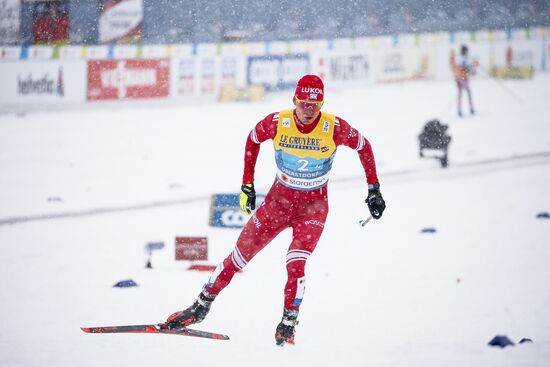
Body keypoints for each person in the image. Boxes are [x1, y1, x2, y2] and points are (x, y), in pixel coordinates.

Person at [163, 75, 386, 345]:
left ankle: (288, 324)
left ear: (322, 103)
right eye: (304, 104)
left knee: (296, 263)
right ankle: (199, 307)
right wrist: (247, 183)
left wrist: (373, 188)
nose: (308, 110)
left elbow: (364, 146)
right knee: (237, 258)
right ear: (295, 100)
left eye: (314, 105)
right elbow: (253, 139)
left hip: (313, 209)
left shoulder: (333, 127)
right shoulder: (278, 122)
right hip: (278, 203)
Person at [450, 44, 477, 117]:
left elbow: (467, 68)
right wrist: (470, 69)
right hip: (461, 78)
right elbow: (462, 68)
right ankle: (465, 109)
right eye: (466, 51)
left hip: (462, 78)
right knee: (466, 92)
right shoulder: (460, 58)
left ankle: (463, 109)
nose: (467, 52)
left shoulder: (464, 58)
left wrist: (472, 68)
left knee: (462, 93)